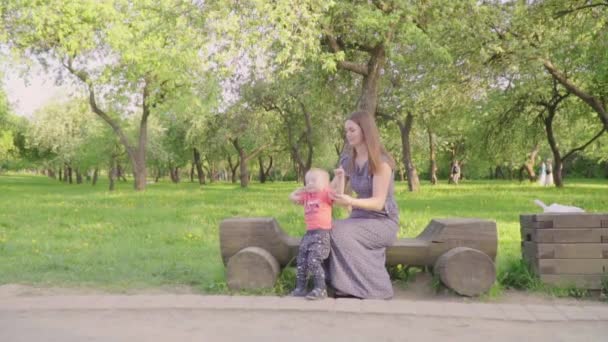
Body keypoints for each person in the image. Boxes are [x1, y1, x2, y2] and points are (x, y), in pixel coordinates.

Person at [328, 111, 400, 299]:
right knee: (328, 228)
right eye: (346, 131)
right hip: (358, 219)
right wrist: (307, 193)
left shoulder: (381, 163)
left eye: (352, 130)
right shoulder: (348, 160)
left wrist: (350, 201)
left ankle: (377, 288)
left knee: (339, 232)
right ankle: (344, 286)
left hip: (382, 222)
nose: (348, 134)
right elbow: (331, 191)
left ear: (365, 131)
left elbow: (378, 203)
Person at [289, 168, 344, 300]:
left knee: (313, 261)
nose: (310, 184)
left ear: (325, 184)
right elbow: (292, 198)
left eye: (314, 180)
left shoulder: (325, 194)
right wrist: (297, 191)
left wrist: (340, 178)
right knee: (301, 261)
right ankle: (300, 288)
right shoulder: (307, 196)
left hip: (321, 235)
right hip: (308, 234)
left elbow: (339, 193)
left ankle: (320, 289)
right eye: (307, 181)